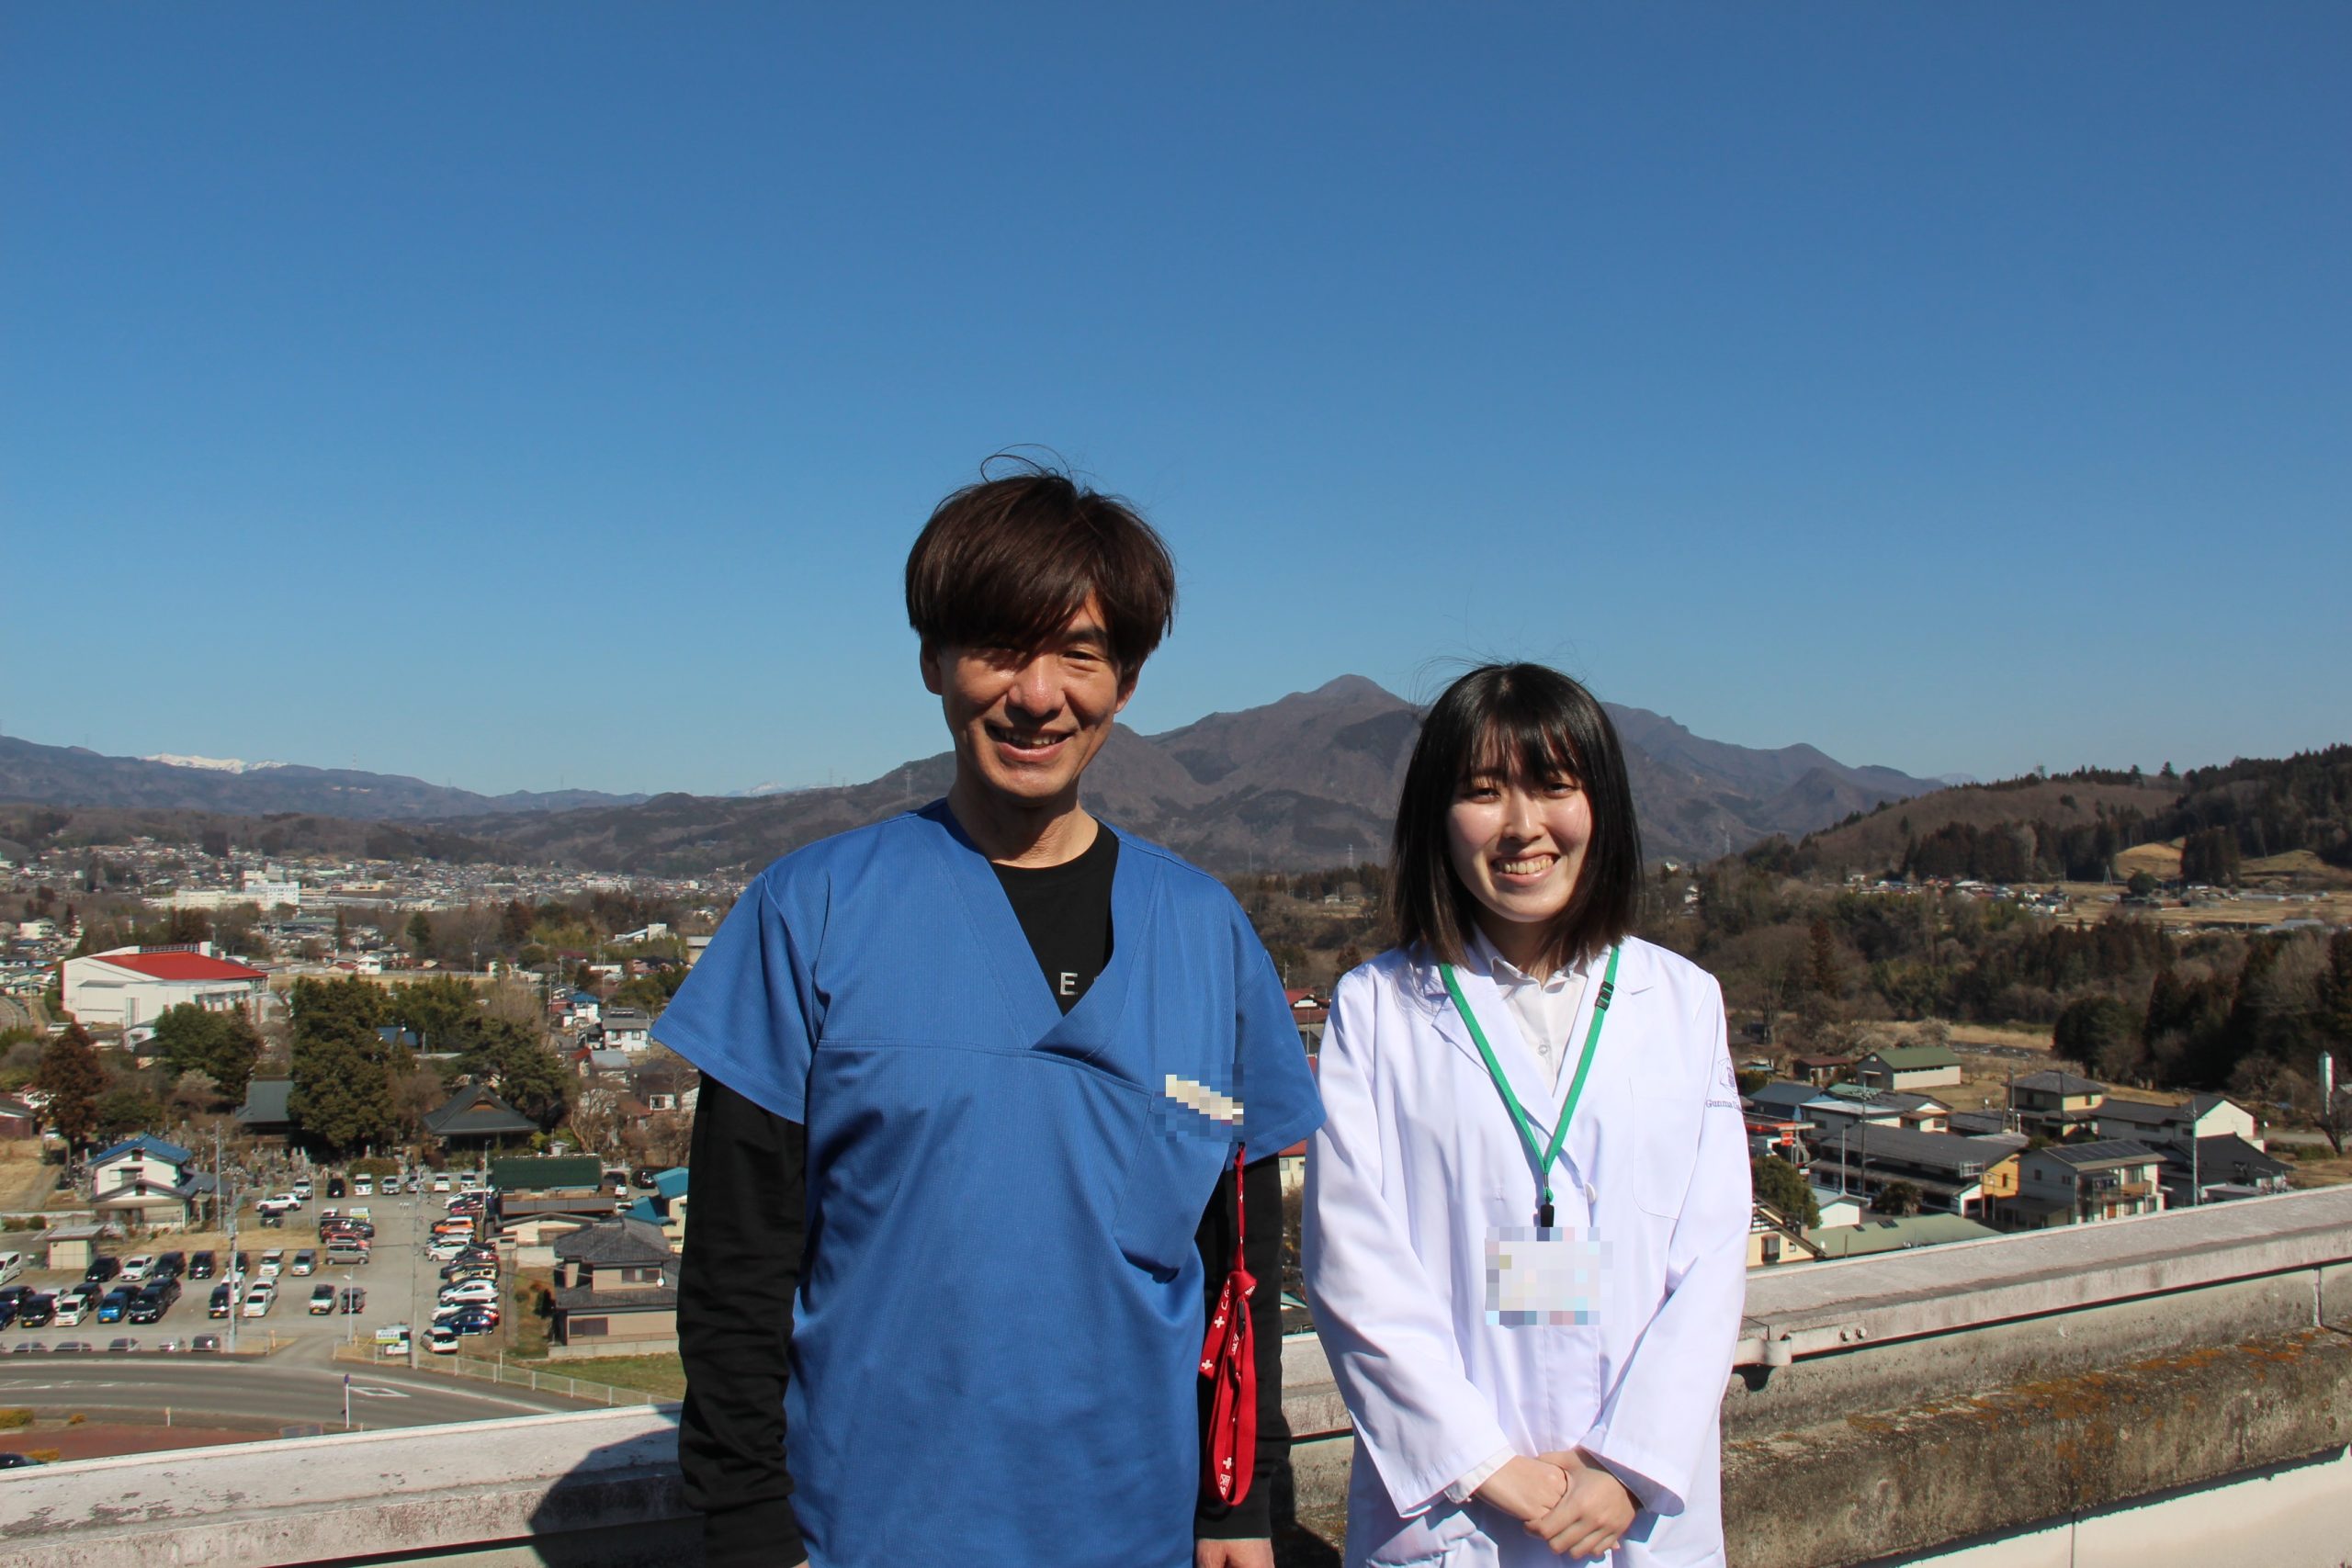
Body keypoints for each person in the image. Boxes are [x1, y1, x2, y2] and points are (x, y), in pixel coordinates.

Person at [655, 465, 1324, 1568]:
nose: (1037, 695)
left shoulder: (1205, 936)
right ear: (933, 661)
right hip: (867, 1526)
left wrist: (1239, 1500)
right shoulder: (811, 912)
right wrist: (747, 1526)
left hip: (1143, 1523)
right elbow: (736, 1262)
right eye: (1000, 648)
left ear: (1127, 681)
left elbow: (1238, 1267)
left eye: (1080, 654)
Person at [1302, 663, 1748, 1566]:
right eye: (1482, 791)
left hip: (1636, 1514)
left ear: (1601, 807)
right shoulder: (1376, 1008)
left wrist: (1628, 1467)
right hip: (1454, 1514)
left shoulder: (1682, 1001)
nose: (1520, 825)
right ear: (1437, 817)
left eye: (1552, 786)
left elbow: (1712, 1257)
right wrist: (1481, 1462)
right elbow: (1351, 1258)